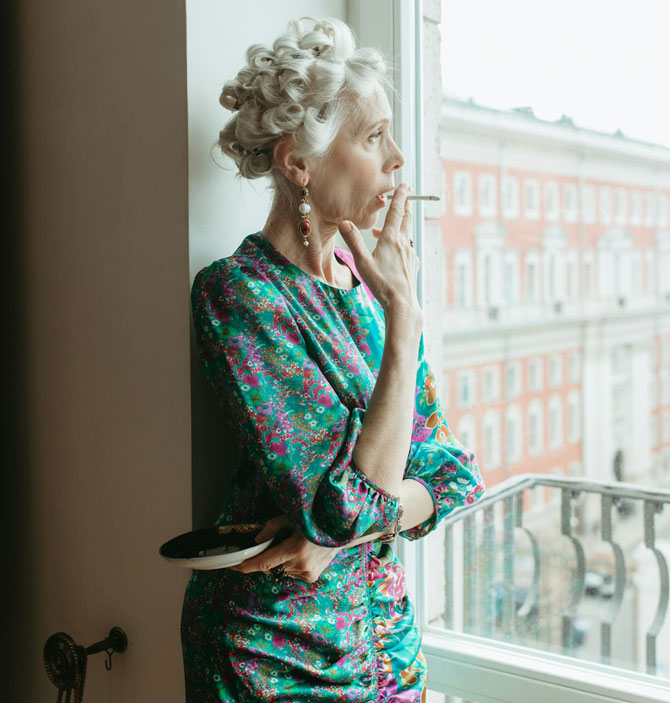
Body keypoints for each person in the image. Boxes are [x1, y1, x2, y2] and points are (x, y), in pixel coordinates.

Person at [181, 17, 485, 703]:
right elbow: (347, 509)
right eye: (375, 137)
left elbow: (454, 472)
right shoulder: (240, 295)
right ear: (299, 163)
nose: (398, 159)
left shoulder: (372, 287)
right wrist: (405, 325)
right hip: (272, 659)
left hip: (387, 650)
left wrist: (341, 536)